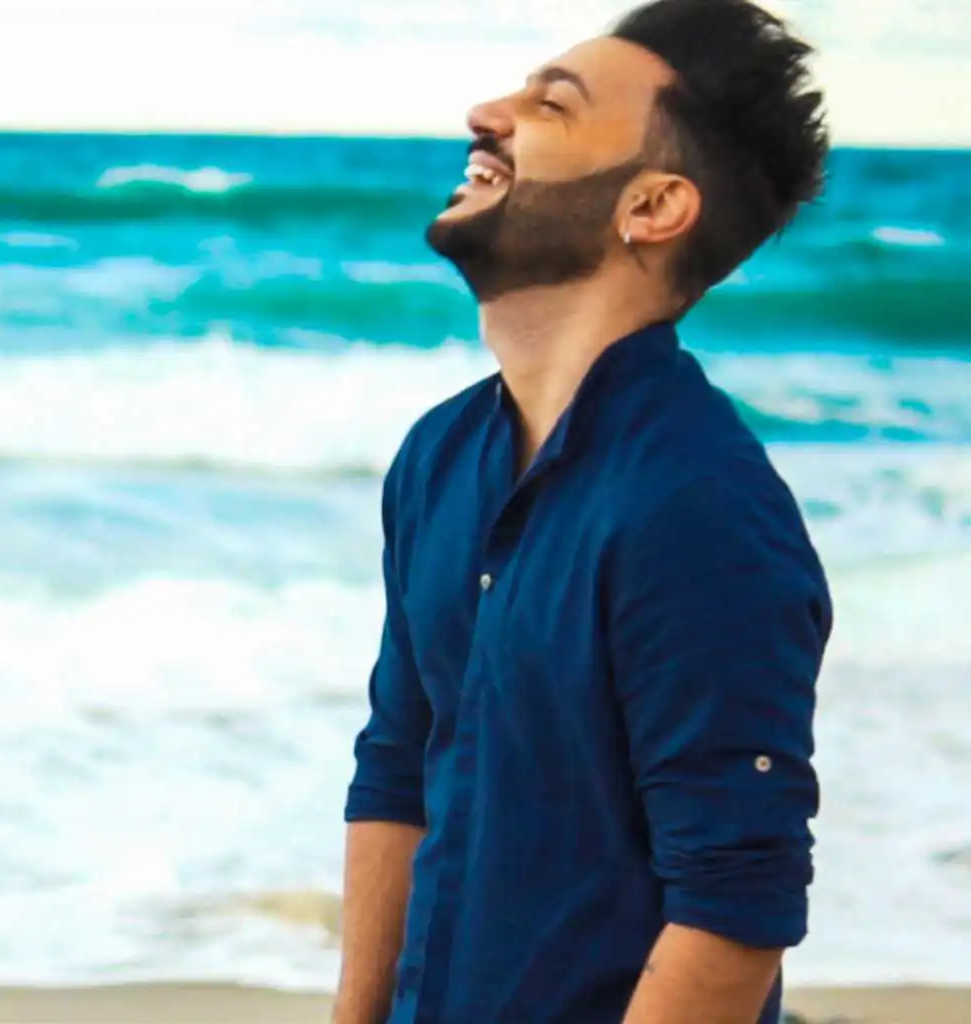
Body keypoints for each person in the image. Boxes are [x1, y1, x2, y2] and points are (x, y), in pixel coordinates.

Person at [335, 0, 833, 1021]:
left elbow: (734, 906)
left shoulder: (701, 508)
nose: (488, 114)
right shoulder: (439, 455)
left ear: (651, 206)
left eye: (550, 105)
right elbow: (396, 772)